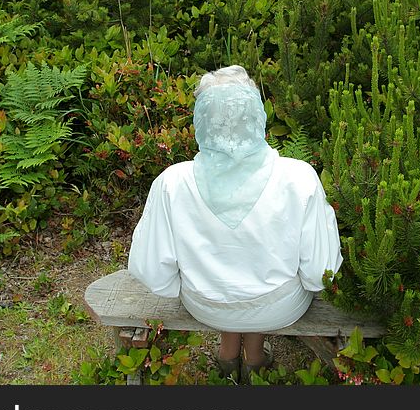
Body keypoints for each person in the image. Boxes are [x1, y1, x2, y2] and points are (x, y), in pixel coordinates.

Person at [127, 64, 343, 381]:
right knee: (258, 289)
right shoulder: (298, 177)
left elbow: (153, 273)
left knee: (232, 285)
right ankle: (255, 356)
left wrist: (198, 284)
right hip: (280, 305)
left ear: (202, 121)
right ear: (257, 116)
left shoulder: (173, 182)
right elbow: (317, 275)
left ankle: (228, 353)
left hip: (206, 304)